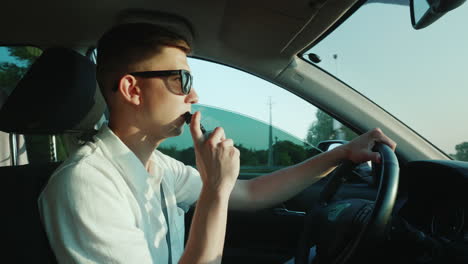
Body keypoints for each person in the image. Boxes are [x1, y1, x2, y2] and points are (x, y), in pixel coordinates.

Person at [38, 22, 396, 264]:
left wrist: (341, 155)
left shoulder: (158, 167)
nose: (194, 94)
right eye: (181, 79)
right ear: (133, 89)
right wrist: (213, 189)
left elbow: (254, 193)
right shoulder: (86, 184)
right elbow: (225, 194)